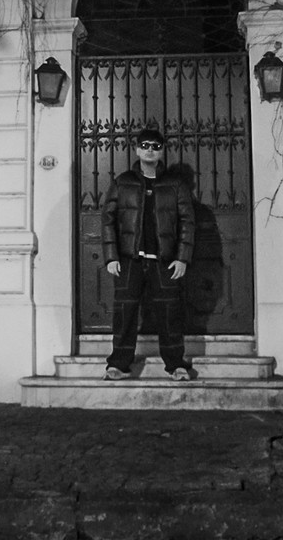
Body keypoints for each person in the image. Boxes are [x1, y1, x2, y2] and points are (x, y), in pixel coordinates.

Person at [101, 128, 195, 381]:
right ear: (137, 149)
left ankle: (176, 365)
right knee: (125, 314)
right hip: (129, 261)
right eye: (145, 145)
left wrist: (182, 258)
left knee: (170, 315)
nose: (150, 150)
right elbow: (108, 219)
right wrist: (111, 256)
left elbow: (187, 222)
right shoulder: (123, 182)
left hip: (165, 262)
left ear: (161, 151)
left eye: (155, 146)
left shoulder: (175, 184)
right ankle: (118, 365)